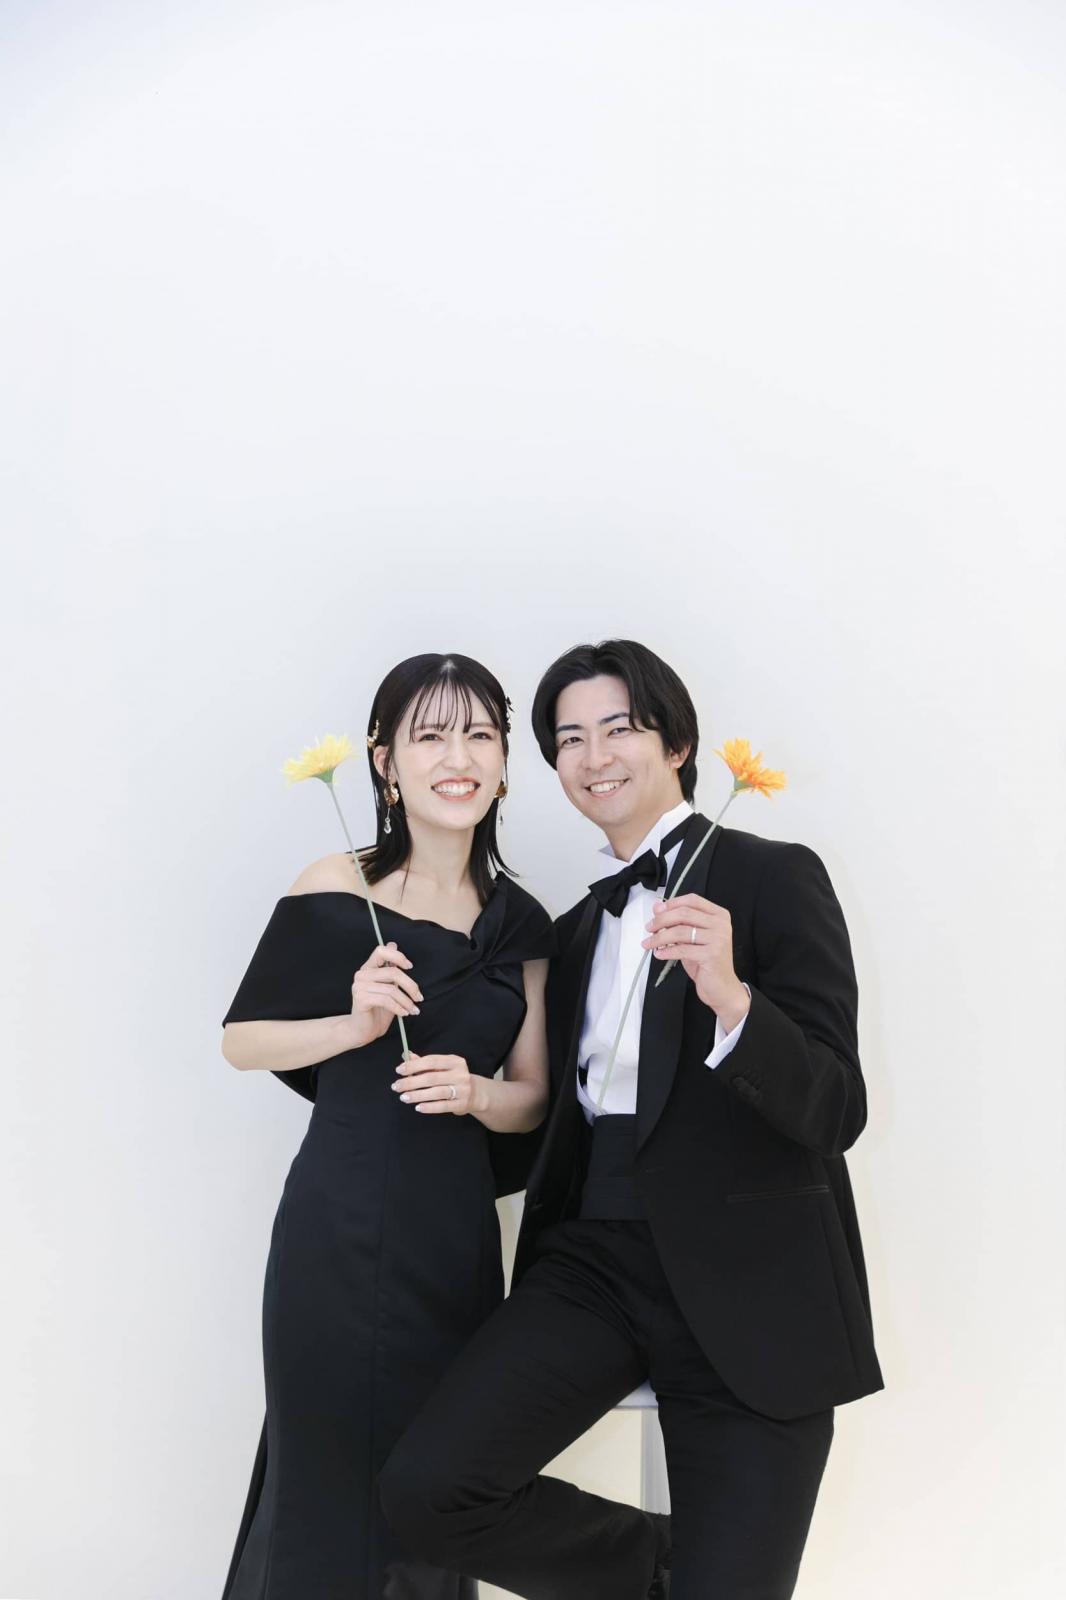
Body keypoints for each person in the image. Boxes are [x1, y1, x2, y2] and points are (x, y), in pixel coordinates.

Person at [378, 638, 884, 1600]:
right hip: (592, 1268)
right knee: (430, 1491)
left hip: (751, 1279)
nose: (594, 755)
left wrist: (733, 999)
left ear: (678, 743)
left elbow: (837, 1107)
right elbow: (542, 1127)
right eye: (569, 739)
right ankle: (669, 1567)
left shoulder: (775, 878)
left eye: (619, 728)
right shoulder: (569, 934)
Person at [218, 652, 555, 1600]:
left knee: (432, 1495)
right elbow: (242, 1041)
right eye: (431, 735)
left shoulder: (523, 923)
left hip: (454, 1242)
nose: (459, 757)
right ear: (384, 762)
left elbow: (535, 1096)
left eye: (479, 735)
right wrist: (353, 1025)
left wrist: (476, 1093)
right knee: (324, 1482)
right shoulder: (336, 882)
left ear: (503, 762)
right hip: (336, 1226)